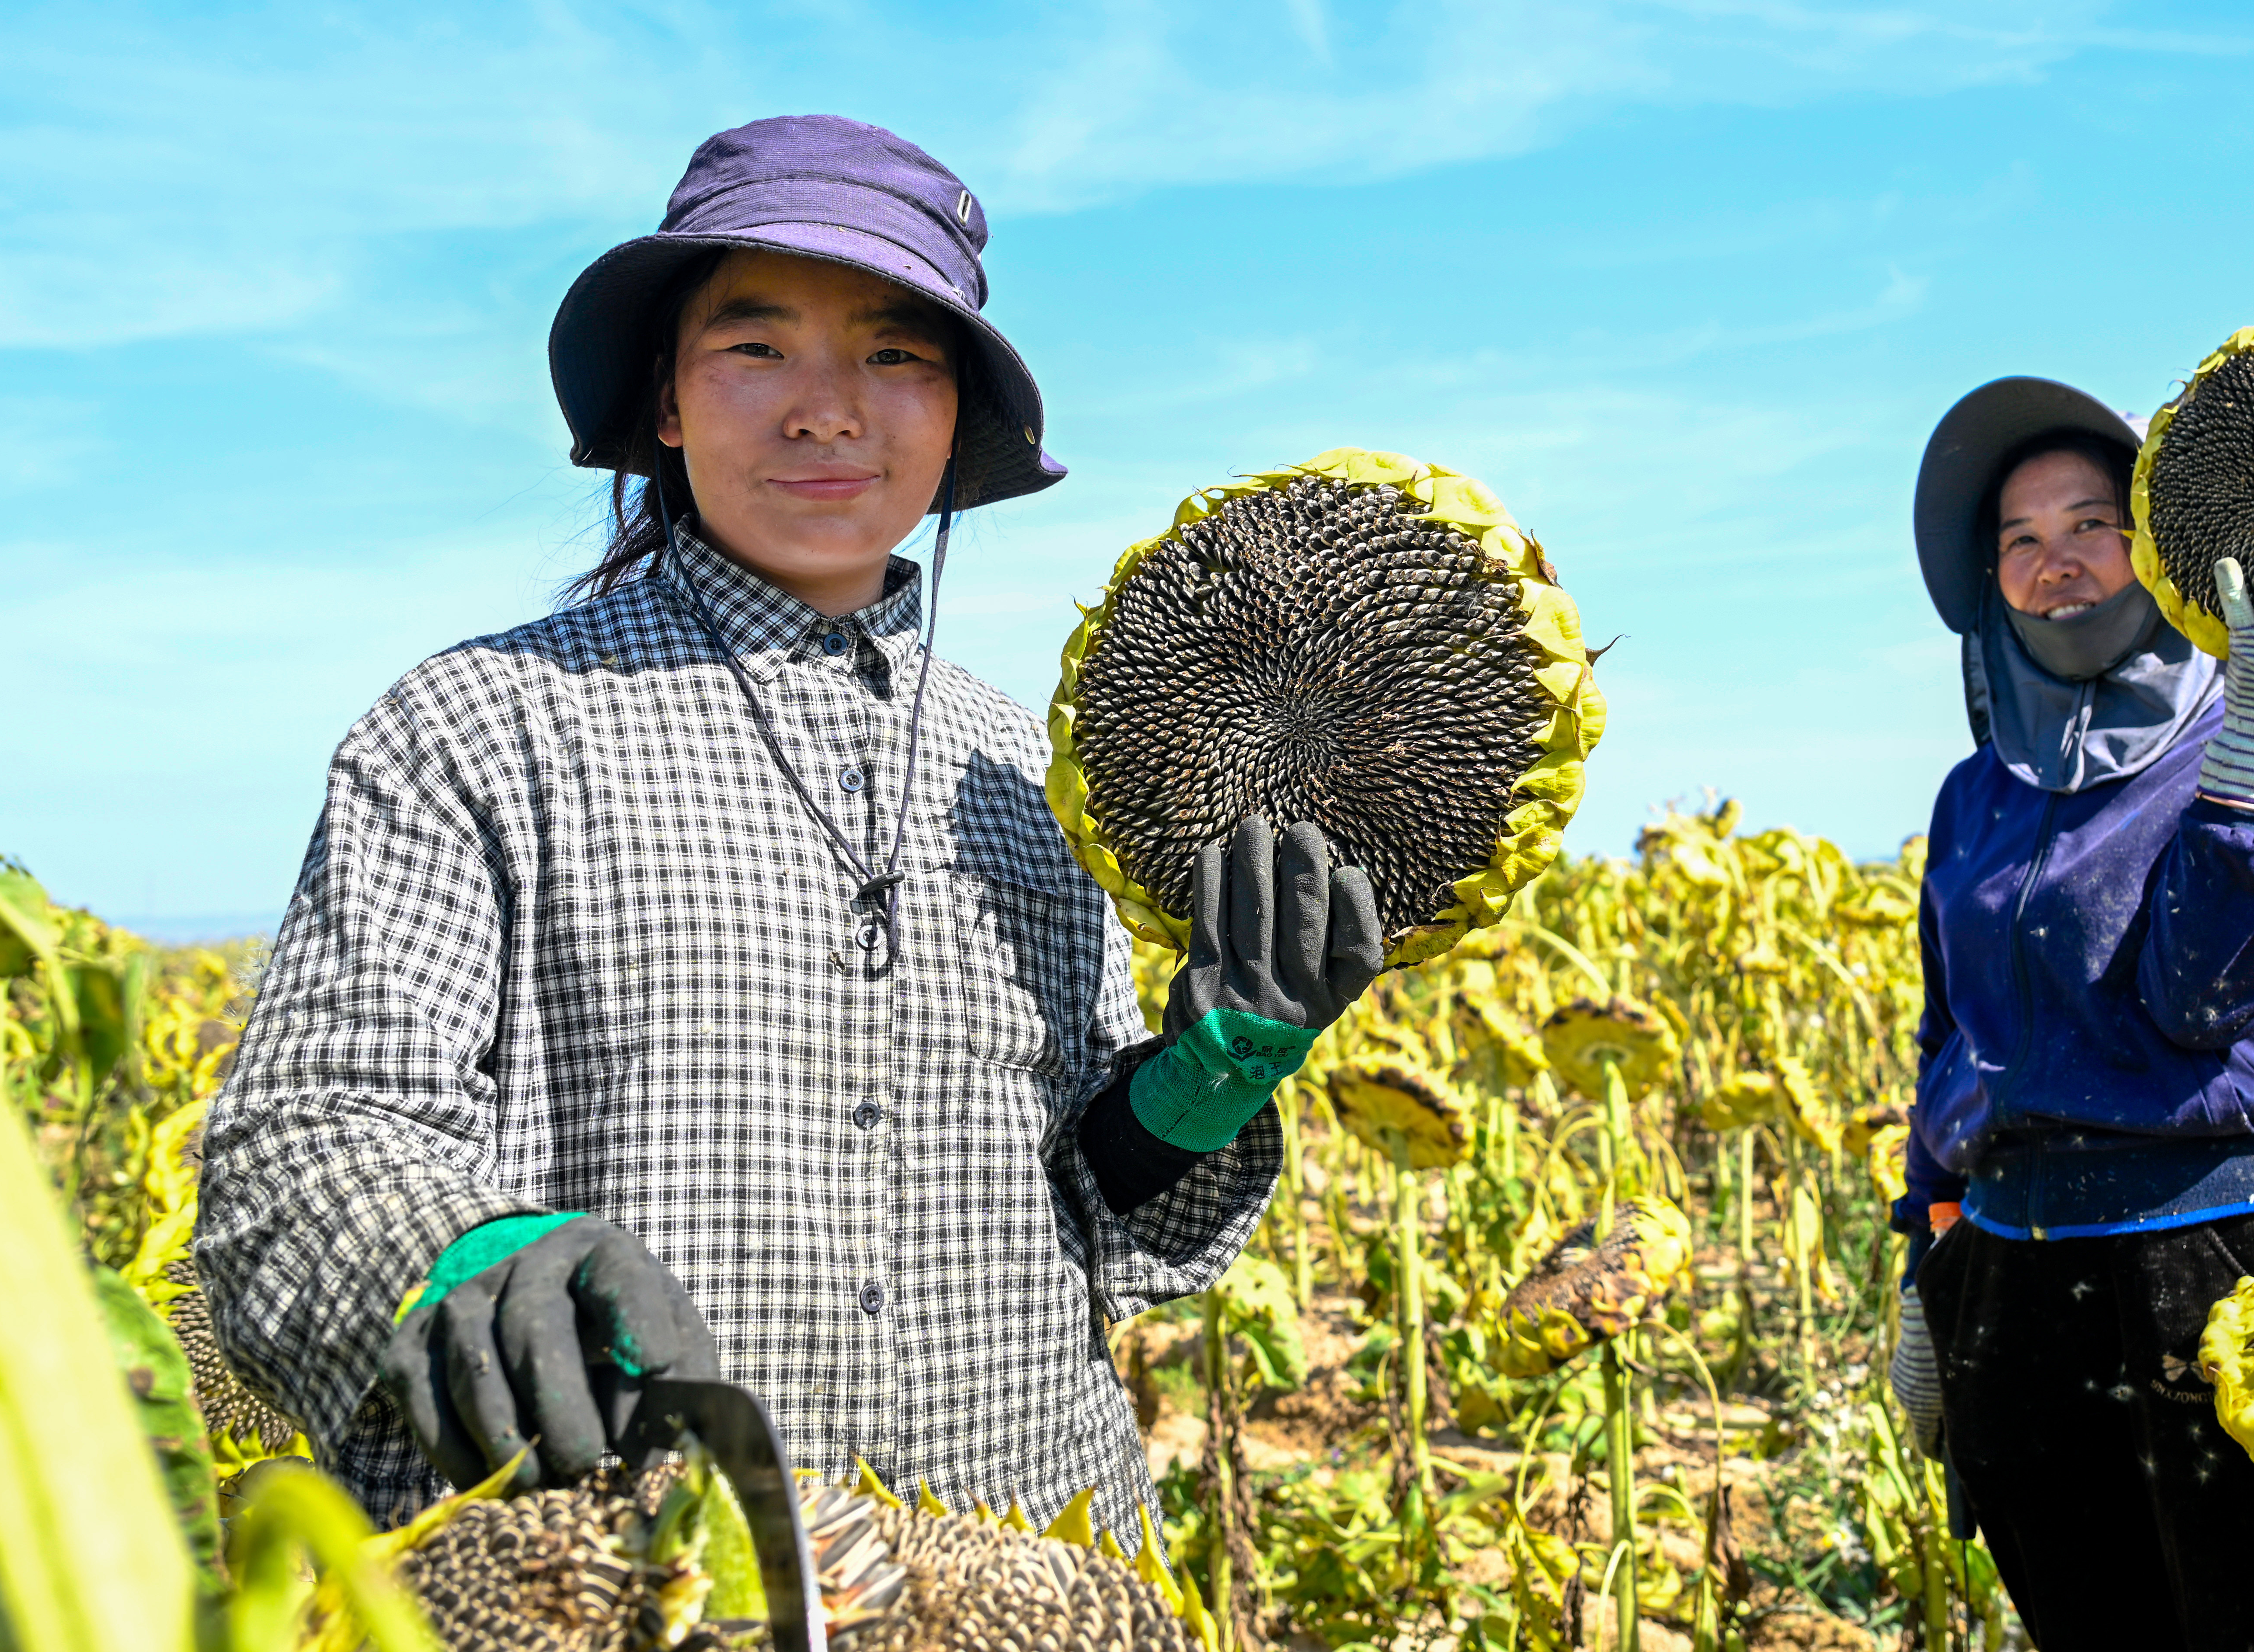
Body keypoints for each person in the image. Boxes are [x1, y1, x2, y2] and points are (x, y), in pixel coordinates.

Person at [197, 115, 1384, 1539]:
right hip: (619, 1577)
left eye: (897, 356)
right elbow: (301, 1146)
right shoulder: (476, 728)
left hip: (1025, 1567)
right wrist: (470, 1263)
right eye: (758, 349)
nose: (830, 409)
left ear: (954, 427)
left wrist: (1197, 1086)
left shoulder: (1027, 767)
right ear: (668, 404)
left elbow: (1079, 1209)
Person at [1890, 376, 2254, 1651]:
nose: (2058, 565)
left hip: (2225, 1251)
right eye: (2021, 541)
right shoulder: (1973, 796)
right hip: (2014, 1259)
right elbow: (1952, 1042)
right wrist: (1923, 1256)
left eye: (2092, 525)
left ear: (2157, 551)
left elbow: (2204, 1001)